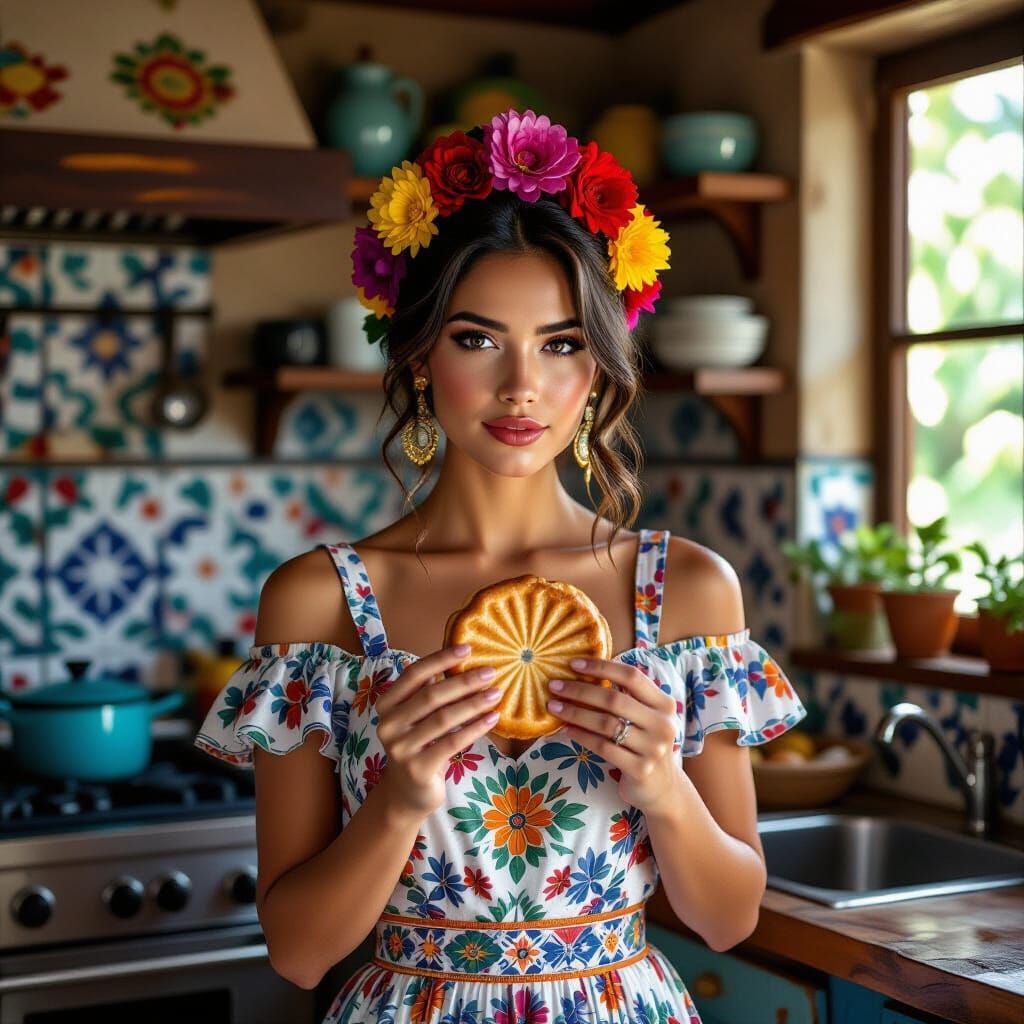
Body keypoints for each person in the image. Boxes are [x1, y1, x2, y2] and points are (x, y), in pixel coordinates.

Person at [194, 108, 809, 1024]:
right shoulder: (318, 601)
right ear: (418, 356)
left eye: (561, 344)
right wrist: (399, 799)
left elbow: (726, 920)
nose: (522, 385)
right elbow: (297, 952)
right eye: (477, 339)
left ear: (597, 371)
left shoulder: (687, 589)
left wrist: (664, 790)